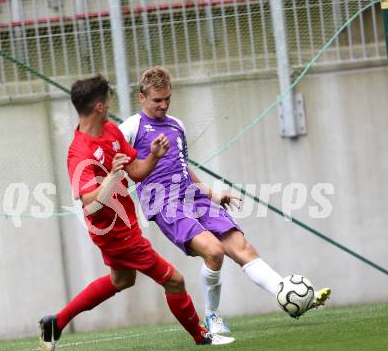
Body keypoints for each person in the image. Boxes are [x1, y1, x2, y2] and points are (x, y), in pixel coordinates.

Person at [119, 66, 331, 334]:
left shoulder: (176, 125)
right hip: (164, 204)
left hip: (193, 196)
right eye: (157, 100)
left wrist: (213, 194)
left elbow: (183, 167)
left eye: (167, 99)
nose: (163, 105)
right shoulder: (129, 128)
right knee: (214, 251)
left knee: (243, 247)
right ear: (142, 98)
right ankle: (212, 316)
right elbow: (119, 163)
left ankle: (289, 294)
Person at [39, 75, 234, 351]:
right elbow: (90, 202)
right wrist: (112, 176)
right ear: (99, 106)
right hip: (113, 232)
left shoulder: (111, 132)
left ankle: (55, 323)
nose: (110, 102)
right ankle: (201, 336)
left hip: (125, 222)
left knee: (122, 280)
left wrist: (153, 156)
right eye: (107, 99)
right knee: (175, 281)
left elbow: (137, 172)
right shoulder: (79, 152)